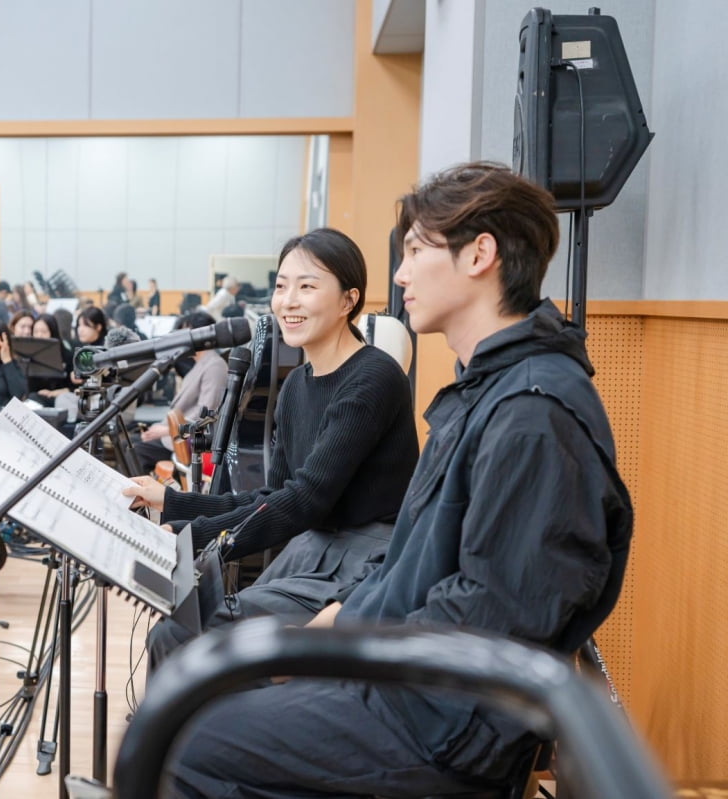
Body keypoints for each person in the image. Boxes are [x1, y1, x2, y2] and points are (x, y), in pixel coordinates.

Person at [161, 163, 633, 798]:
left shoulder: (532, 414)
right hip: (413, 691)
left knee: (197, 740)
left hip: (442, 724)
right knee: (199, 708)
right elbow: (416, 565)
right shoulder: (485, 389)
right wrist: (340, 620)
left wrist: (341, 651)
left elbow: (490, 617)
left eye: (414, 250)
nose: (401, 274)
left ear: (480, 256)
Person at [125, 228, 419, 666]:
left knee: (183, 636)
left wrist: (190, 537)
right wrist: (172, 501)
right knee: (180, 630)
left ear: (347, 301)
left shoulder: (373, 377)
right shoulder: (297, 386)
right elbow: (272, 497)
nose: (288, 301)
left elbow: (304, 502)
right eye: (281, 286)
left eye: (307, 286)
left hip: (365, 566)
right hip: (313, 552)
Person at [132, 311, 228, 474]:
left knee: (134, 449)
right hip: (180, 435)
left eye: (184, 334)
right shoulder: (203, 363)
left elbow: (206, 415)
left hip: (189, 441)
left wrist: (166, 430)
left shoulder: (214, 366)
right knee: (131, 442)